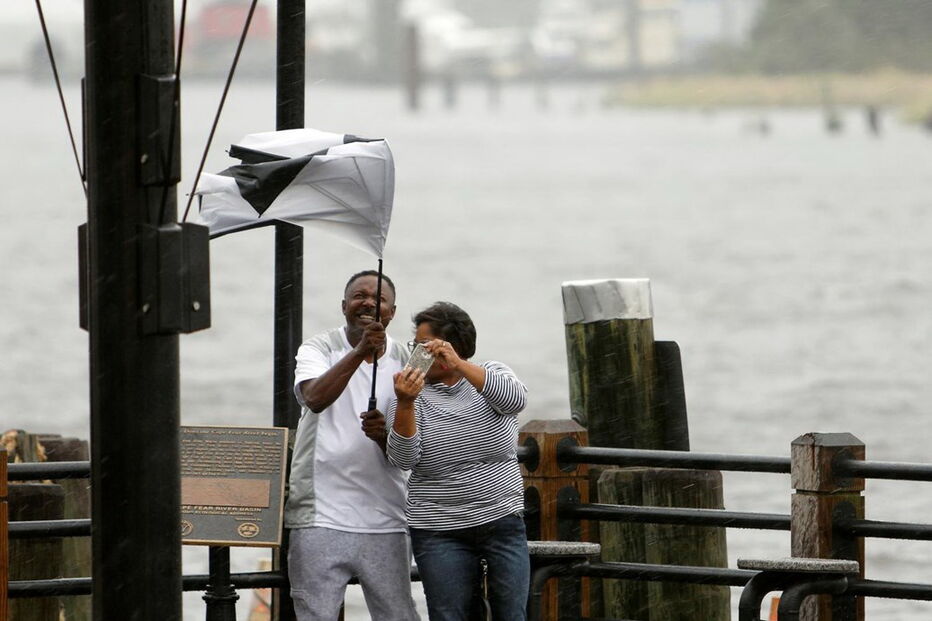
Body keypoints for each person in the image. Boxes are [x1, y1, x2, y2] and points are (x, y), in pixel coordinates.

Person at [284, 270, 420, 621]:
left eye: (379, 299)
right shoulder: (319, 347)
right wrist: (360, 351)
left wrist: (383, 434)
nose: (368, 303)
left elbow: (420, 434)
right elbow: (314, 398)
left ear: (391, 312)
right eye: (359, 296)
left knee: (397, 615)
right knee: (315, 614)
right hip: (321, 516)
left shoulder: (408, 358)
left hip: (387, 516)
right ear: (344, 305)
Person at [387, 301, 530, 621]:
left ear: (449, 347)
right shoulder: (408, 394)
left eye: (423, 346)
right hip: (439, 528)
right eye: (415, 346)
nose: (415, 355)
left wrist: (459, 365)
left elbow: (515, 400)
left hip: (500, 518)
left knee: (512, 613)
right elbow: (402, 458)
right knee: (450, 614)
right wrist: (406, 404)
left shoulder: (491, 374)